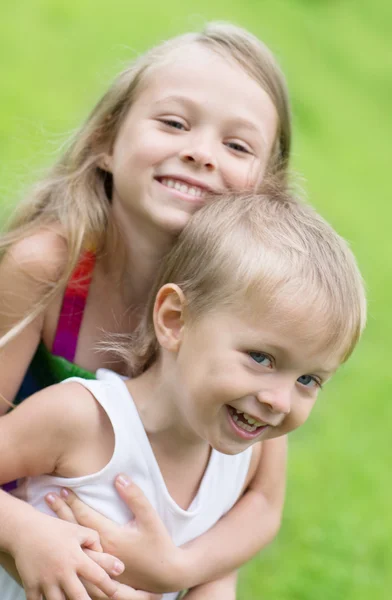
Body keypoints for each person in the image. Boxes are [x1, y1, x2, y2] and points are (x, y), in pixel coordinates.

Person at [0, 20, 293, 600]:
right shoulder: (48, 267)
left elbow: (260, 497)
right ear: (108, 140)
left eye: (236, 146)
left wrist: (184, 573)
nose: (200, 153)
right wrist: (24, 531)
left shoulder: (253, 305)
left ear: (267, 189)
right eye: (174, 123)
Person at [0, 189, 366, 600]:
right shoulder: (82, 419)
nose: (279, 402)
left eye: (308, 380)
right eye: (261, 358)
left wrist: (194, 580)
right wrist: (24, 533)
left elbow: (260, 514)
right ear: (175, 321)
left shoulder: (243, 458)